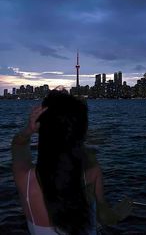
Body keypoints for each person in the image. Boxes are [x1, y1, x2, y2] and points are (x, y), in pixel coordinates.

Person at [11, 89, 132, 235]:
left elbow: (18, 145)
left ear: (43, 130)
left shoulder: (26, 180)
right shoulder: (92, 172)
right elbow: (105, 217)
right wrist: (120, 213)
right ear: (81, 132)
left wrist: (29, 130)